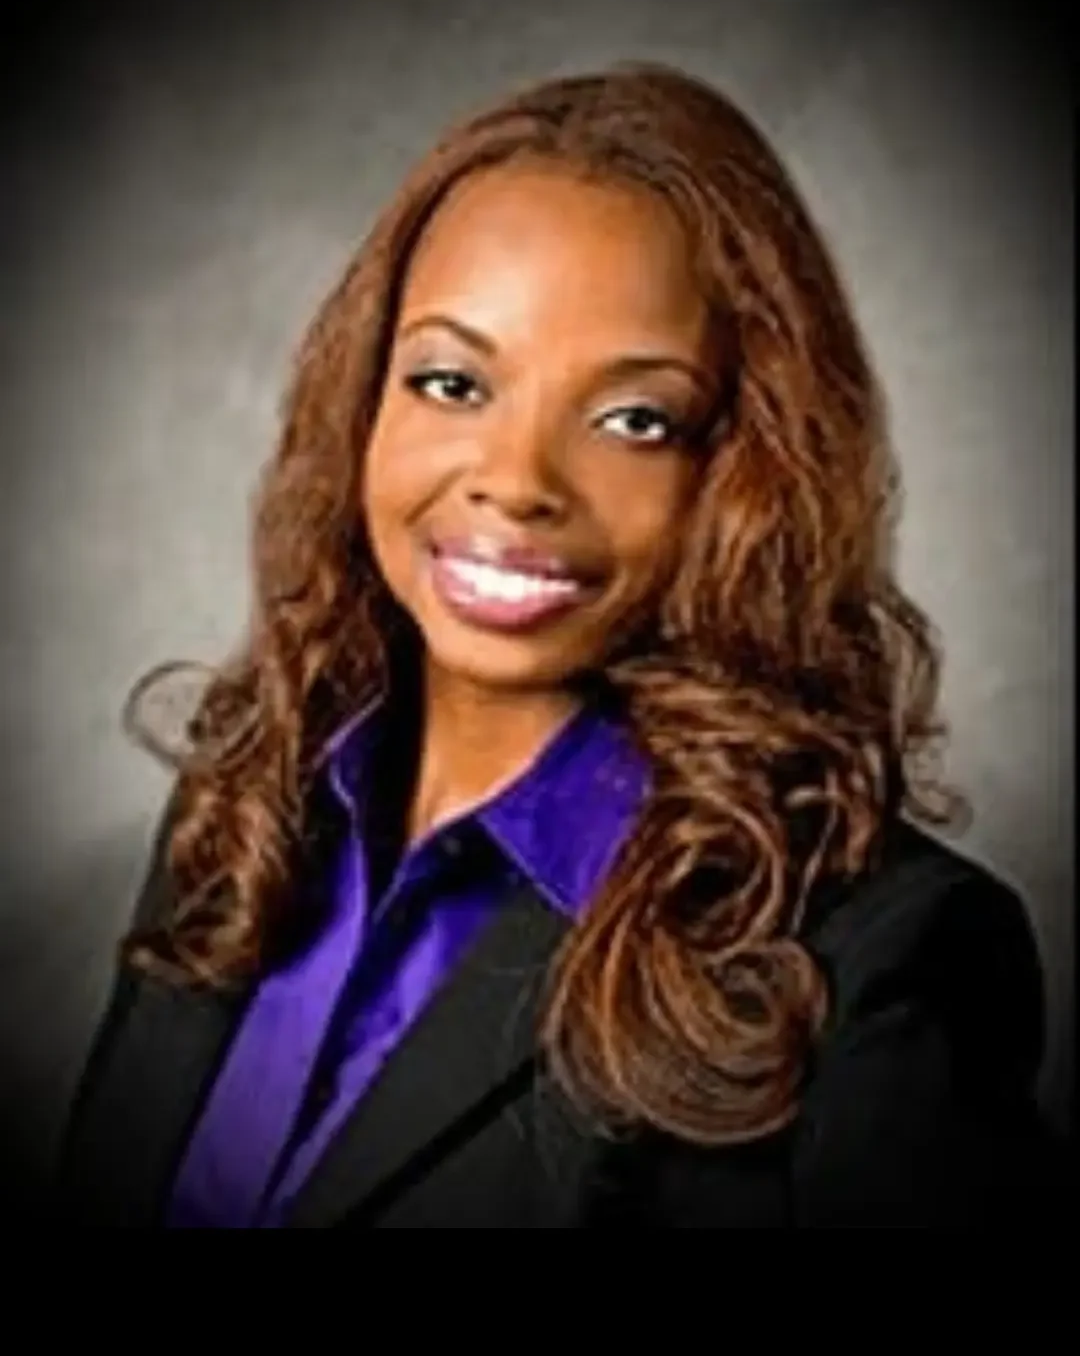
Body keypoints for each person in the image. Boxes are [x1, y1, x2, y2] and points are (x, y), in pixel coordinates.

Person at [54, 61, 1060, 1228]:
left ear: (744, 471)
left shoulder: (876, 964)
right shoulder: (241, 812)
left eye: (636, 419)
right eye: (450, 381)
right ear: (364, 400)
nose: (518, 482)